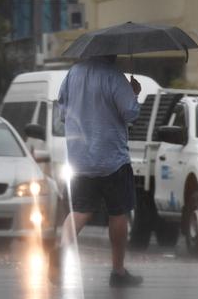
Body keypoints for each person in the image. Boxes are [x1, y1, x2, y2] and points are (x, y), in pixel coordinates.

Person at [50, 55, 143, 288]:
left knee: (80, 210)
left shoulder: (73, 74)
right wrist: (133, 93)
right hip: (112, 158)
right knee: (118, 212)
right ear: (109, 53)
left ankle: (62, 249)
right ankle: (118, 272)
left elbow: (62, 111)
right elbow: (131, 113)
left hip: (80, 158)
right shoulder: (114, 77)